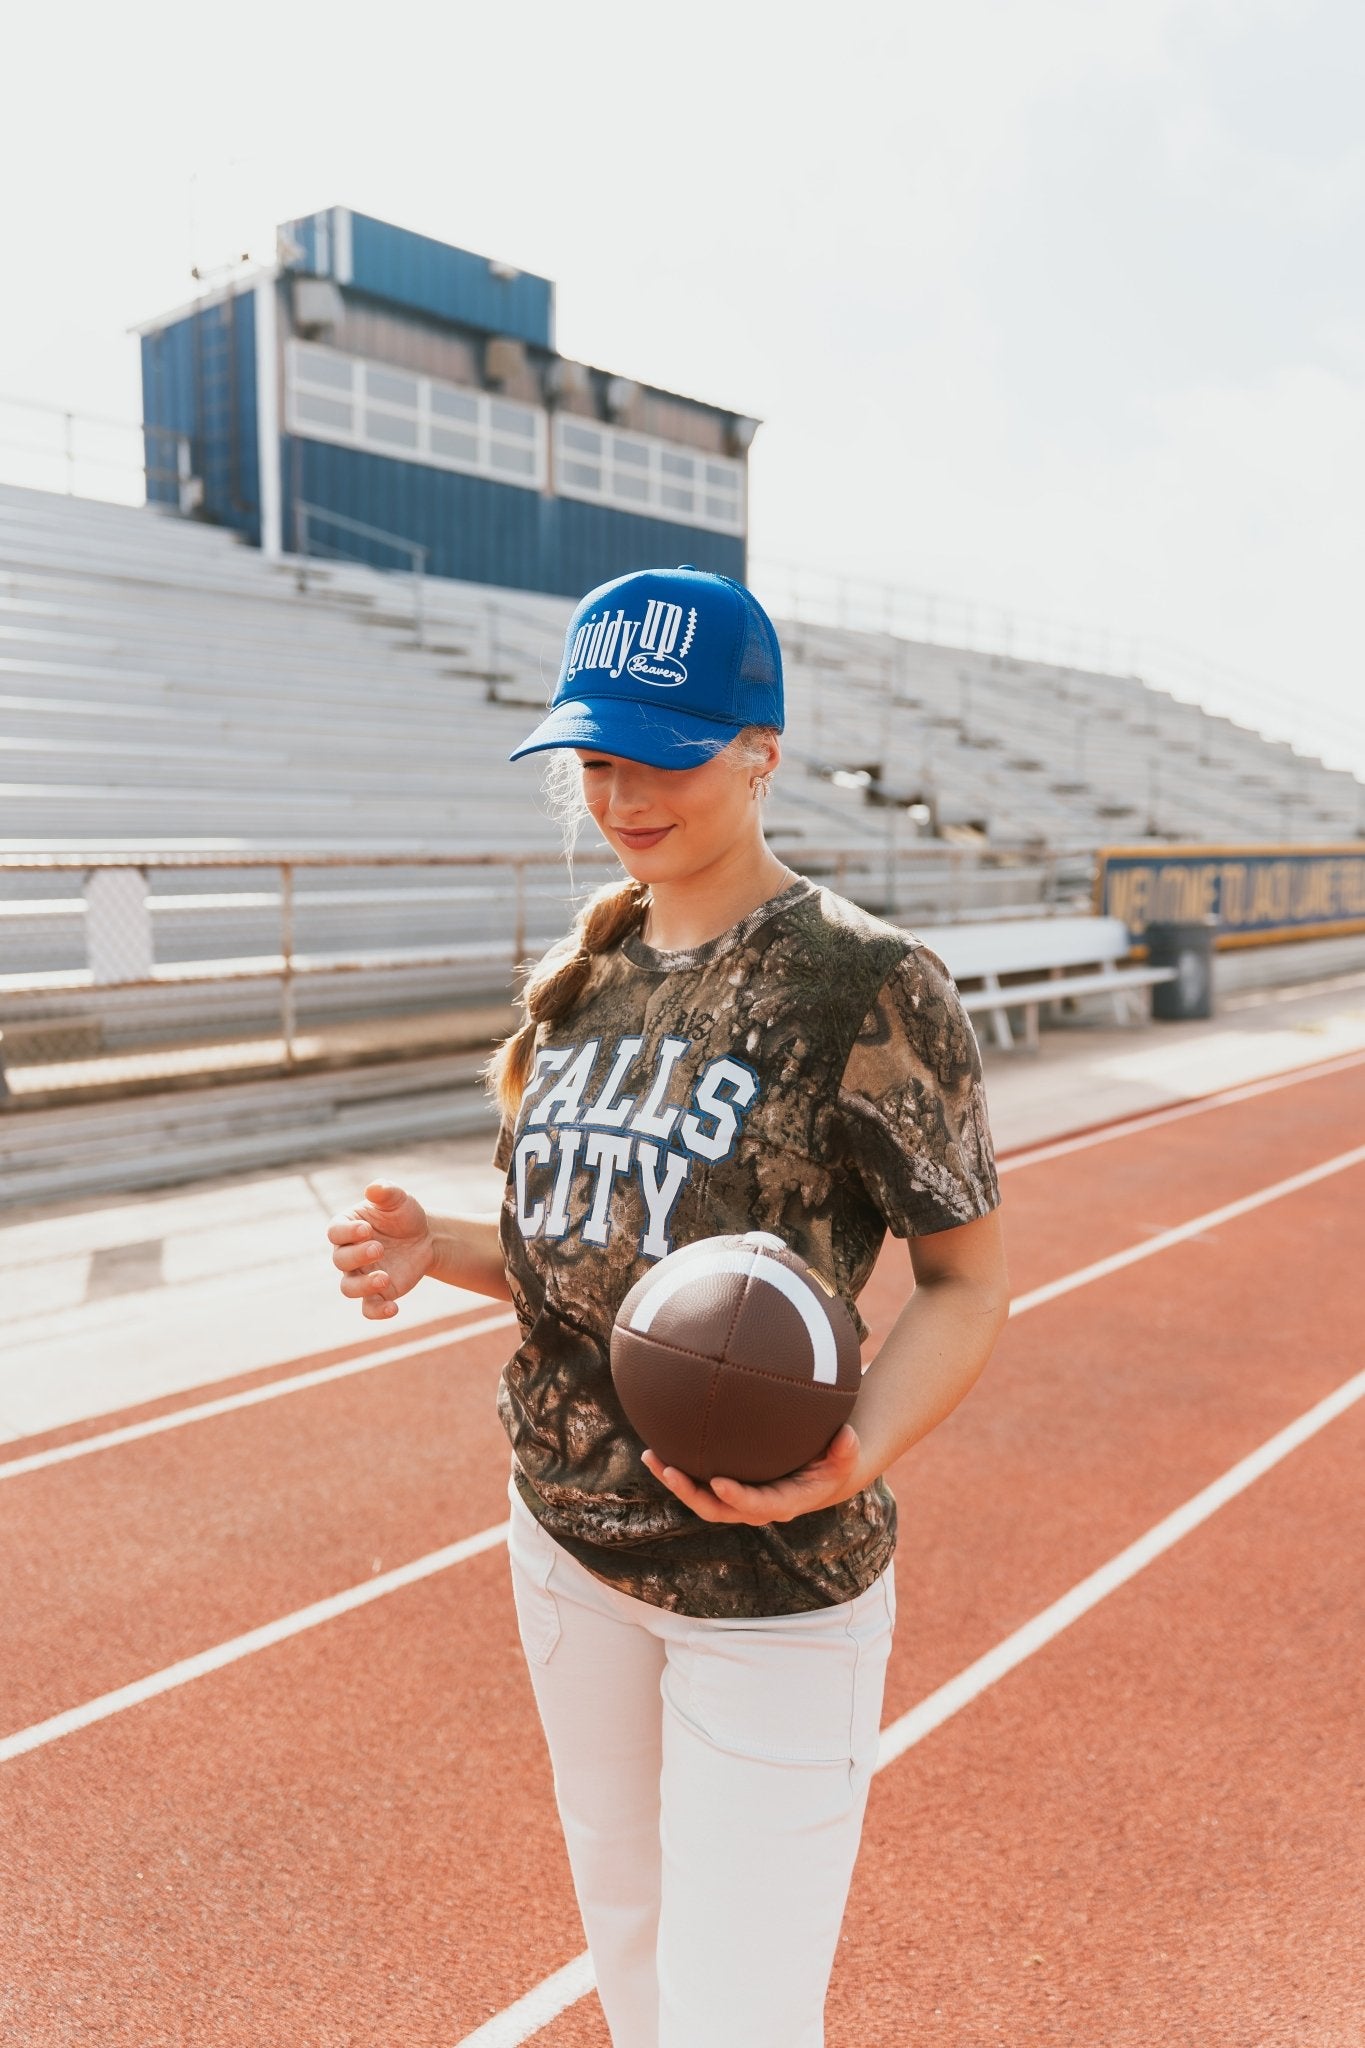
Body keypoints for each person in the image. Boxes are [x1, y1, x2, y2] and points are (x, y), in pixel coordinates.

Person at [327, 566, 1009, 2048]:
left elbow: (965, 1285)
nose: (625, 795)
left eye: (666, 754)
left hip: (771, 1581)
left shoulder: (865, 984)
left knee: (739, 2018)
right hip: (565, 1544)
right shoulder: (583, 983)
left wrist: (857, 1457)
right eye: (596, 758)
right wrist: (436, 1245)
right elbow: (585, 1267)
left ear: (761, 750)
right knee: (632, 1967)